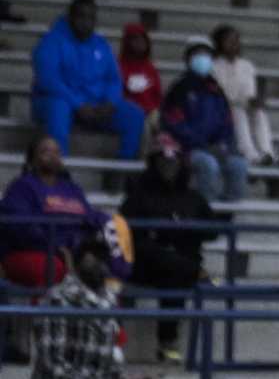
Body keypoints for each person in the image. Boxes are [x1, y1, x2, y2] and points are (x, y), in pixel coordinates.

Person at [118, 142, 220, 364]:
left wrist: (189, 229)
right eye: (163, 163)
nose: (168, 167)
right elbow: (126, 233)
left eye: (173, 163)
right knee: (172, 265)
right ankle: (197, 273)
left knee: (175, 277)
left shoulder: (194, 198)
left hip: (178, 268)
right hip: (145, 266)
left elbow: (214, 231)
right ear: (154, 165)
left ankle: (167, 343)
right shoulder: (138, 196)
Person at [1, 137, 128, 291]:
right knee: (52, 266)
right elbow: (20, 226)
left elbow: (87, 215)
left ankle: (111, 297)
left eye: (57, 152)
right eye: (45, 151)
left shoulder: (72, 188)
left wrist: (106, 222)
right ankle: (43, 313)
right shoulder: (21, 187)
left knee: (111, 239)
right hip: (34, 249)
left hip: (74, 248)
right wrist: (56, 247)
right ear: (32, 160)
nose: (53, 156)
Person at [29, 0, 145, 159]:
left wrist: (110, 102)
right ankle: (60, 171)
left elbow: (113, 78)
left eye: (91, 18)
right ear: (70, 17)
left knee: (134, 114)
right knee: (58, 107)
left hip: (94, 107)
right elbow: (49, 81)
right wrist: (78, 104)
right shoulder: (51, 42)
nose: (86, 22)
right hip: (61, 102)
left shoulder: (101, 44)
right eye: (81, 16)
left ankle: (121, 173)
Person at [158, 35, 249, 203]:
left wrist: (222, 145)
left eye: (207, 55)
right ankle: (206, 213)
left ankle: (229, 217)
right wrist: (201, 145)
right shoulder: (179, 89)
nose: (203, 59)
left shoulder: (216, 89)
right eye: (198, 55)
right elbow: (174, 124)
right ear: (188, 59)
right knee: (208, 164)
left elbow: (227, 124)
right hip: (187, 149)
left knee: (239, 165)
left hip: (216, 148)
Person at [27, 235, 121, 379]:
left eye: (102, 261)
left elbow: (110, 361)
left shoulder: (109, 301)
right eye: (93, 262)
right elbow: (53, 366)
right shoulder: (57, 300)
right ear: (77, 265)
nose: (100, 268)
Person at [211, 25, 279, 166]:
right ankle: (251, 155)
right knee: (238, 112)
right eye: (229, 40)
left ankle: (267, 152)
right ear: (219, 43)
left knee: (259, 112)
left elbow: (250, 91)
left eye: (236, 40)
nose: (234, 44)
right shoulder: (213, 66)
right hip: (224, 108)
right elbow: (223, 94)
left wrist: (254, 101)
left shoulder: (247, 65)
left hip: (244, 105)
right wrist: (244, 101)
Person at [117, 22, 162, 120]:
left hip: (152, 114)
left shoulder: (151, 68)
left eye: (143, 39)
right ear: (127, 42)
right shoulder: (119, 67)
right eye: (135, 39)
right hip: (131, 113)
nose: (140, 42)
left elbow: (158, 97)